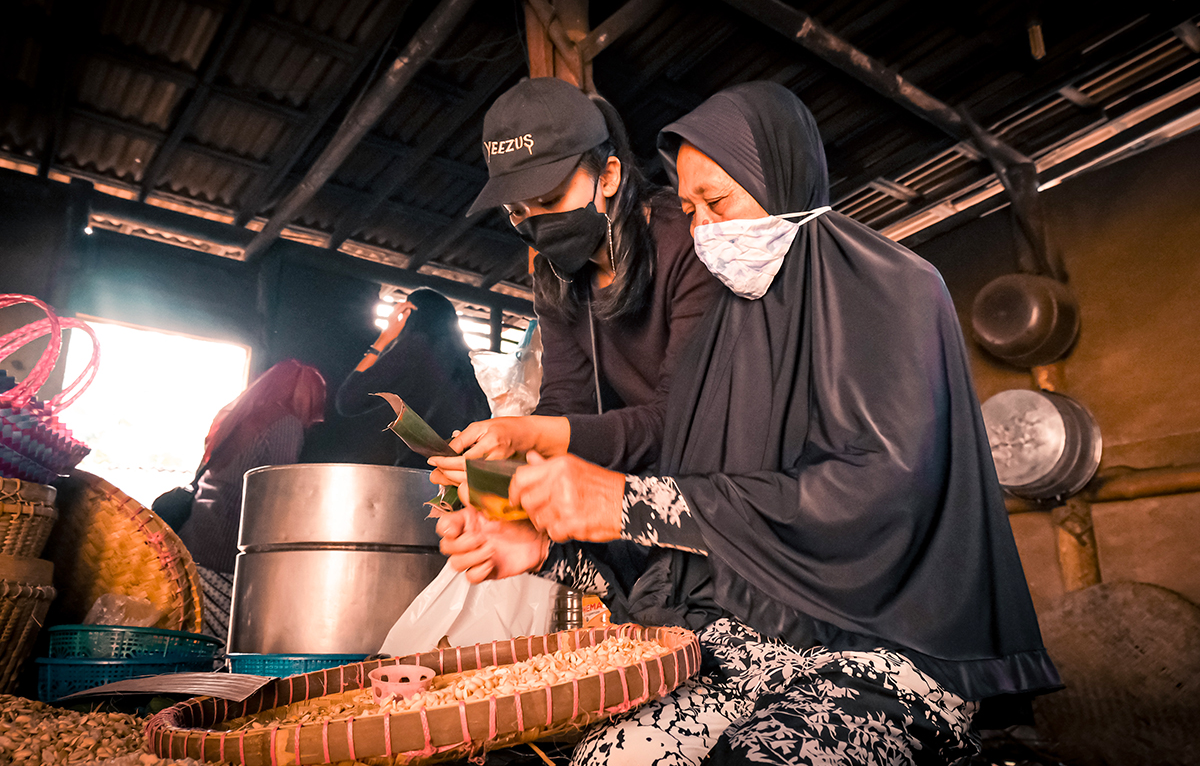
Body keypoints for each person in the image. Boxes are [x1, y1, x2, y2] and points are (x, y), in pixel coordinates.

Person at [436, 82, 1062, 765]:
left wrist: (622, 500)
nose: (704, 231)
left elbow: (879, 502)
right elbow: (690, 538)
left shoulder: (896, 291)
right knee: (605, 758)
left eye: (720, 203)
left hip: (884, 646)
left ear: (782, 179)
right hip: (748, 644)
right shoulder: (721, 343)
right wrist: (545, 549)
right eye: (690, 209)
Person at [428, 77, 722, 487]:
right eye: (516, 212)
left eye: (549, 200)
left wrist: (531, 436)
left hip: (720, 479)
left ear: (608, 177)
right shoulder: (554, 278)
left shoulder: (687, 243)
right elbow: (566, 400)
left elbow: (678, 418)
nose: (537, 224)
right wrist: (504, 460)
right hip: (649, 474)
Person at [177, 358, 326, 642]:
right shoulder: (285, 422)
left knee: (193, 645)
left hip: (196, 542)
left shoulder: (240, 416)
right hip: (225, 555)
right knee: (222, 651)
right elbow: (279, 492)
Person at [331, 288, 489, 469]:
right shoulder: (468, 361)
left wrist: (385, 337)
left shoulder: (416, 347)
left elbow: (348, 400)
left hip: (422, 475)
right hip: (465, 474)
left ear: (411, 316)